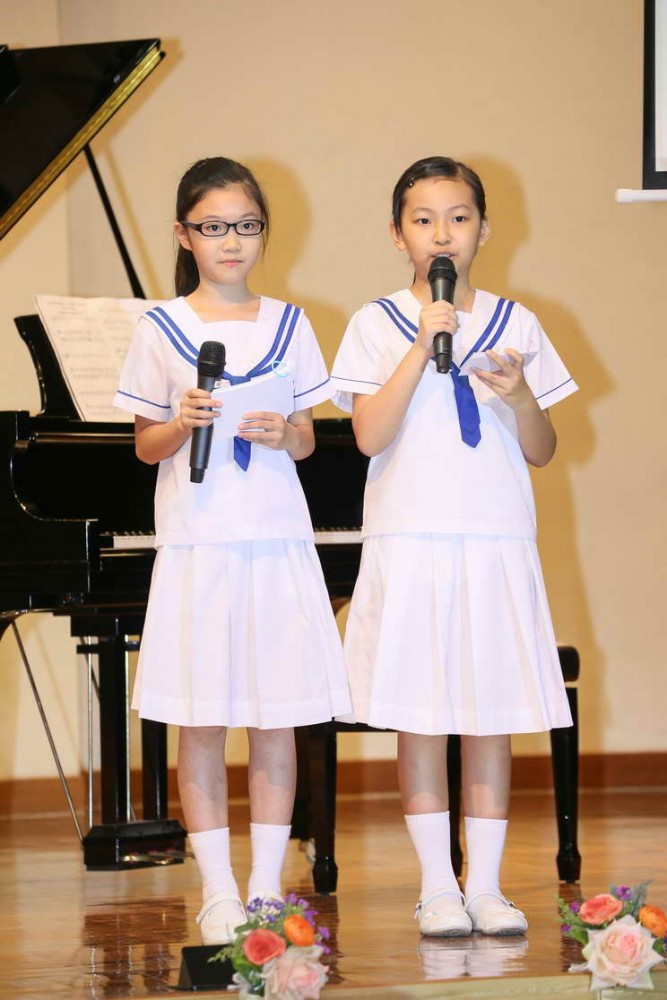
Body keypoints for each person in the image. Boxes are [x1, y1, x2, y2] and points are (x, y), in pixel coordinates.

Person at [331, 156, 577, 938]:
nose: (442, 233)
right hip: (410, 540)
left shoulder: (517, 322)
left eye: (458, 217)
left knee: (487, 714)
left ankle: (488, 886)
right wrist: (420, 346)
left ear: (483, 228)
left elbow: (541, 449)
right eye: (423, 219)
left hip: (493, 538)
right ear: (397, 234)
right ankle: (436, 885)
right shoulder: (374, 322)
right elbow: (368, 435)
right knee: (421, 715)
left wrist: (520, 395)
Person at [114, 157, 351, 945]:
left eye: (246, 226)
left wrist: (287, 432)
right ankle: (216, 889)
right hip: (200, 544)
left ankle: (264, 887)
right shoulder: (160, 328)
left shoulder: (290, 323)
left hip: (274, 540)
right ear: (184, 234)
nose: (231, 241)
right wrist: (179, 422)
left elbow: (309, 436)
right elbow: (145, 446)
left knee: (276, 719)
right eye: (213, 227)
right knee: (203, 719)